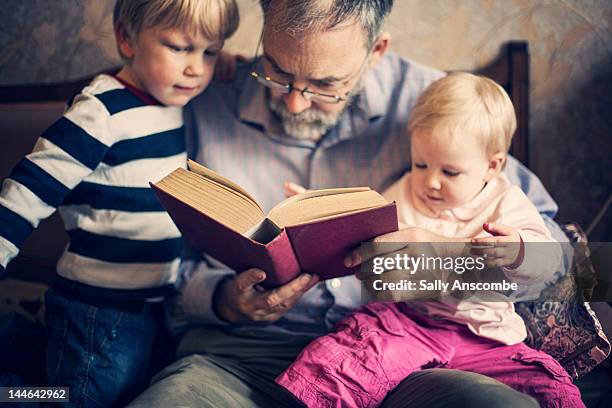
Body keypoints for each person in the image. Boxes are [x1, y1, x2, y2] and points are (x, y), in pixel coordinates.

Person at [128, 1, 567, 407]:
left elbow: (559, 259)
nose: (295, 101)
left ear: (376, 50)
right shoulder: (202, 97)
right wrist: (224, 300)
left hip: (412, 361)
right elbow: (154, 259)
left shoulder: (438, 108)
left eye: (324, 84)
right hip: (237, 359)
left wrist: (451, 261)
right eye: (277, 72)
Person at [275, 72, 583, 408]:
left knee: (551, 388)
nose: (430, 182)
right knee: (344, 361)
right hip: (408, 323)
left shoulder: (507, 201)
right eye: (421, 163)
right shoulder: (407, 191)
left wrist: (519, 251)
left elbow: (549, 261)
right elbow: (370, 232)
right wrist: (326, 215)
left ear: (492, 166)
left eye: (449, 172)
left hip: (487, 336)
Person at [0, 0, 239, 406]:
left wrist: (226, 62)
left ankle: (20, 342)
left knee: (118, 387)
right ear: (127, 40)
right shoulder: (101, 111)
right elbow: (30, 188)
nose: (197, 68)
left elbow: (201, 60)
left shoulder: (169, 94)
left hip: (150, 302)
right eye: (180, 47)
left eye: (210, 52)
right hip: (99, 306)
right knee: (75, 399)